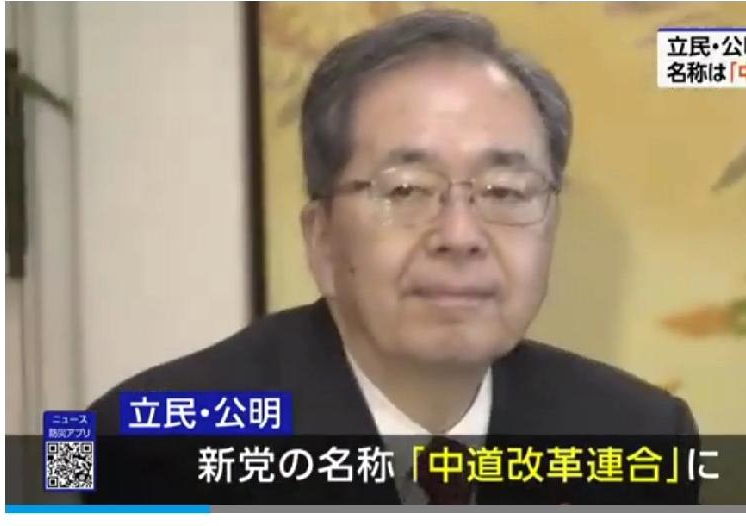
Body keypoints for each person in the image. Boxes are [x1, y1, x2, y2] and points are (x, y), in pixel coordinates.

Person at [88, 9, 698, 505]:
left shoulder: (641, 435)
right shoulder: (140, 444)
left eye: (506, 192)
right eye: (405, 190)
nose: (460, 234)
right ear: (323, 239)